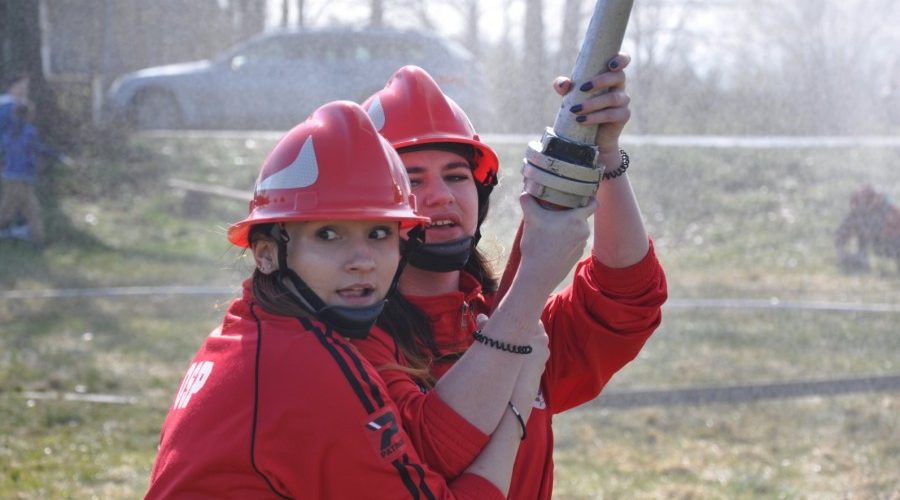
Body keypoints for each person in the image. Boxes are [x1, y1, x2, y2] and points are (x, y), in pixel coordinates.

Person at [146, 100, 549, 499]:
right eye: (329, 234)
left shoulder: (249, 330)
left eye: (378, 234)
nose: (362, 262)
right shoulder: (305, 365)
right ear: (266, 253)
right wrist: (519, 402)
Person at [352, 58, 667, 499]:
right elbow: (434, 451)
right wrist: (533, 282)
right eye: (411, 178)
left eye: (456, 176)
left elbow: (628, 299)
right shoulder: (350, 339)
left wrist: (604, 154)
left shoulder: (506, 316)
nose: (441, 195)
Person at [0, 101, 68, 247]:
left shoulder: (8, 132)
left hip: (10, 176)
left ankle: (38, 241)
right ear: (28, 115)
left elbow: (5, 150)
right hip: (23, 177)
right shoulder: (29, 131)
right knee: (24, 210)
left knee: (19, 208)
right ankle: (39, 241)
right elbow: (38, 148)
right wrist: (58, 156)